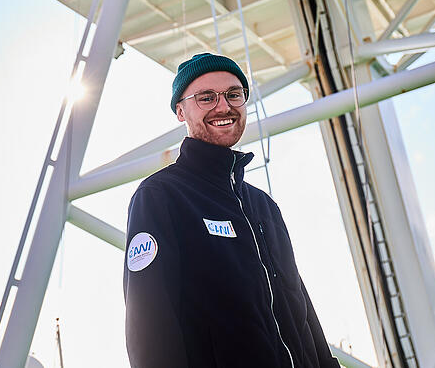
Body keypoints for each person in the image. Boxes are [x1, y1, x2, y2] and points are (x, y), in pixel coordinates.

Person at [123, 53, 340, 367]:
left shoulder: (265, 207)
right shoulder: (161, 196)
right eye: (206, 97)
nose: (223, 106)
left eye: (233, 94)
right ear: (180, 111)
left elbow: (301, 309)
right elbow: (149, 323)